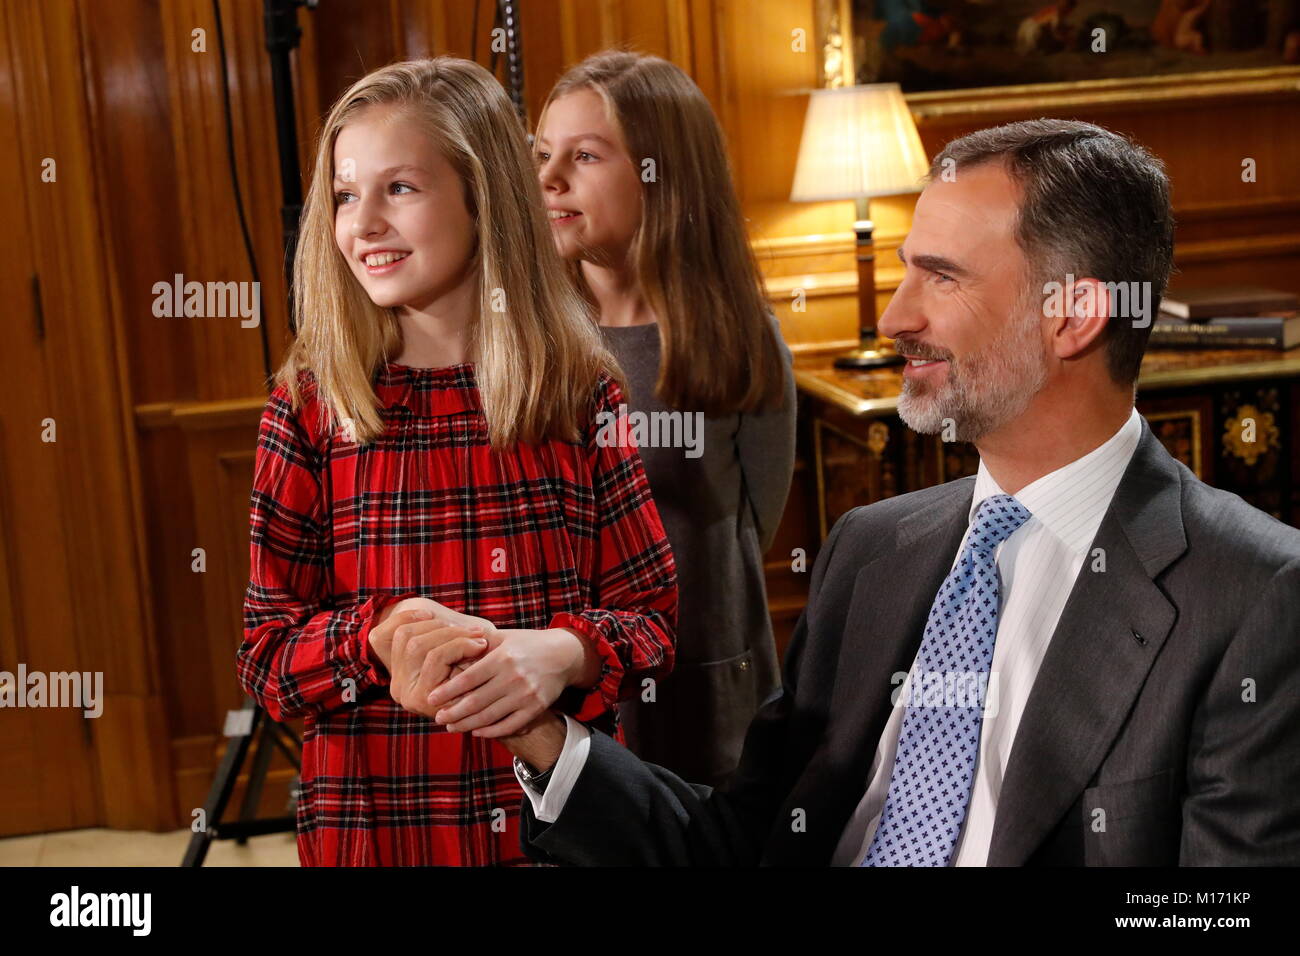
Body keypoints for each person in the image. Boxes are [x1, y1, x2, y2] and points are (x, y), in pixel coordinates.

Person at [492, 119, 1300, 865]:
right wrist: (540, 736)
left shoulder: (1254, 595)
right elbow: (742, 842)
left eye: (940, 278)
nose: (891, 316)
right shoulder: (870, 547)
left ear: (1075, 315)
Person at [236, 57, 677, 866]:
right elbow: (265, 660)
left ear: (486, 198)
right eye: (344, 194)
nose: (362, 222)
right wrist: (372, 640)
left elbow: (651, 621)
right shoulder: (308, 408)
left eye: (399, 188)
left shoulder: (579, 397)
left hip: (557, 830)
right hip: (376, 832)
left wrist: (562, 652)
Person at [530, 51, 796, 788]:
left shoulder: (735, 337)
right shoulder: (528, 339)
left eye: (583, 156)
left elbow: (755, 524)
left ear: (661, 172)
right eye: (542, 154)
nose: (550, 178)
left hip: (706, 687)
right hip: (564, 693)